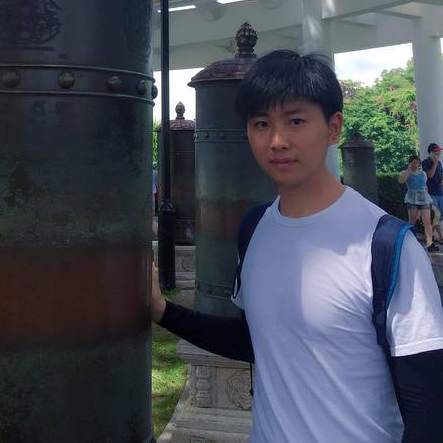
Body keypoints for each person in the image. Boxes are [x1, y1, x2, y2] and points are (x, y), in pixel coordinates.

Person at [151, 49, 443, 443]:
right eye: (261, 124)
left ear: (333, 128)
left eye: (296, 121)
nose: (277, 140)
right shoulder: (255, 228)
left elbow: (428, 408)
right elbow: (256, 340)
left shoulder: (388, 246)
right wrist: (163, 311)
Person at [398, 155, 438, 252]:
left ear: (419, 163)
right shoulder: (406, 173)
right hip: (412, 199)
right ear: (410, 163)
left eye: (417, 162)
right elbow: (401, 181)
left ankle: (430, 243)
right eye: (413, 162)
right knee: (412, 222)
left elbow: (425, 186)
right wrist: (408, 170)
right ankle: (410, 242)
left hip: (424, 198)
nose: (415, 164)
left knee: (427, 222)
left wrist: (429, 200)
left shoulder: (423, 174)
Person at [422, 142, 443, 219]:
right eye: (436, 151)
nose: (439, 153)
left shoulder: (439, 162)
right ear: (431, 153)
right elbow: (429, 175)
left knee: (440, 216)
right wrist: (435, 163)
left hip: (440, 192)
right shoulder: (425, 162)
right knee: (436, 216)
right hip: (431, 193)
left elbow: (441, 173)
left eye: (439, 151)